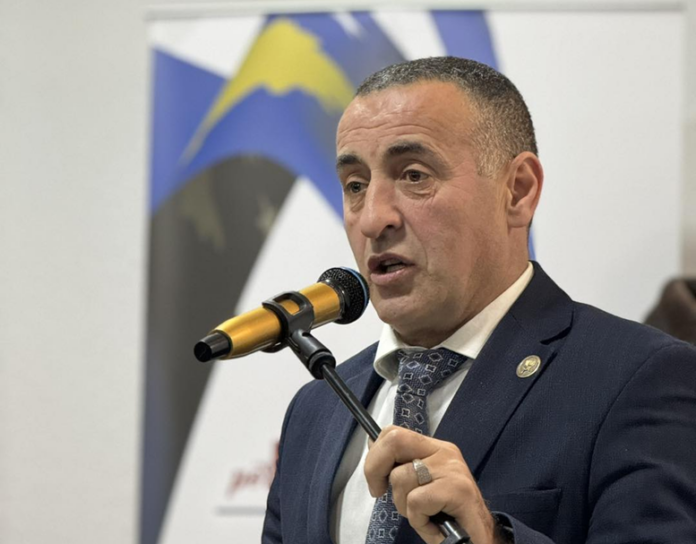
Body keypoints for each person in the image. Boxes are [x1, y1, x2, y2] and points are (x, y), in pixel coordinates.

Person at [262, 57, 696, 544]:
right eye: (355, 186)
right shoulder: (316, 409)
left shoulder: (641, 379)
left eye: (414, 175)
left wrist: (492, 537)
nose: (373, 219)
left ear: (518, 190)